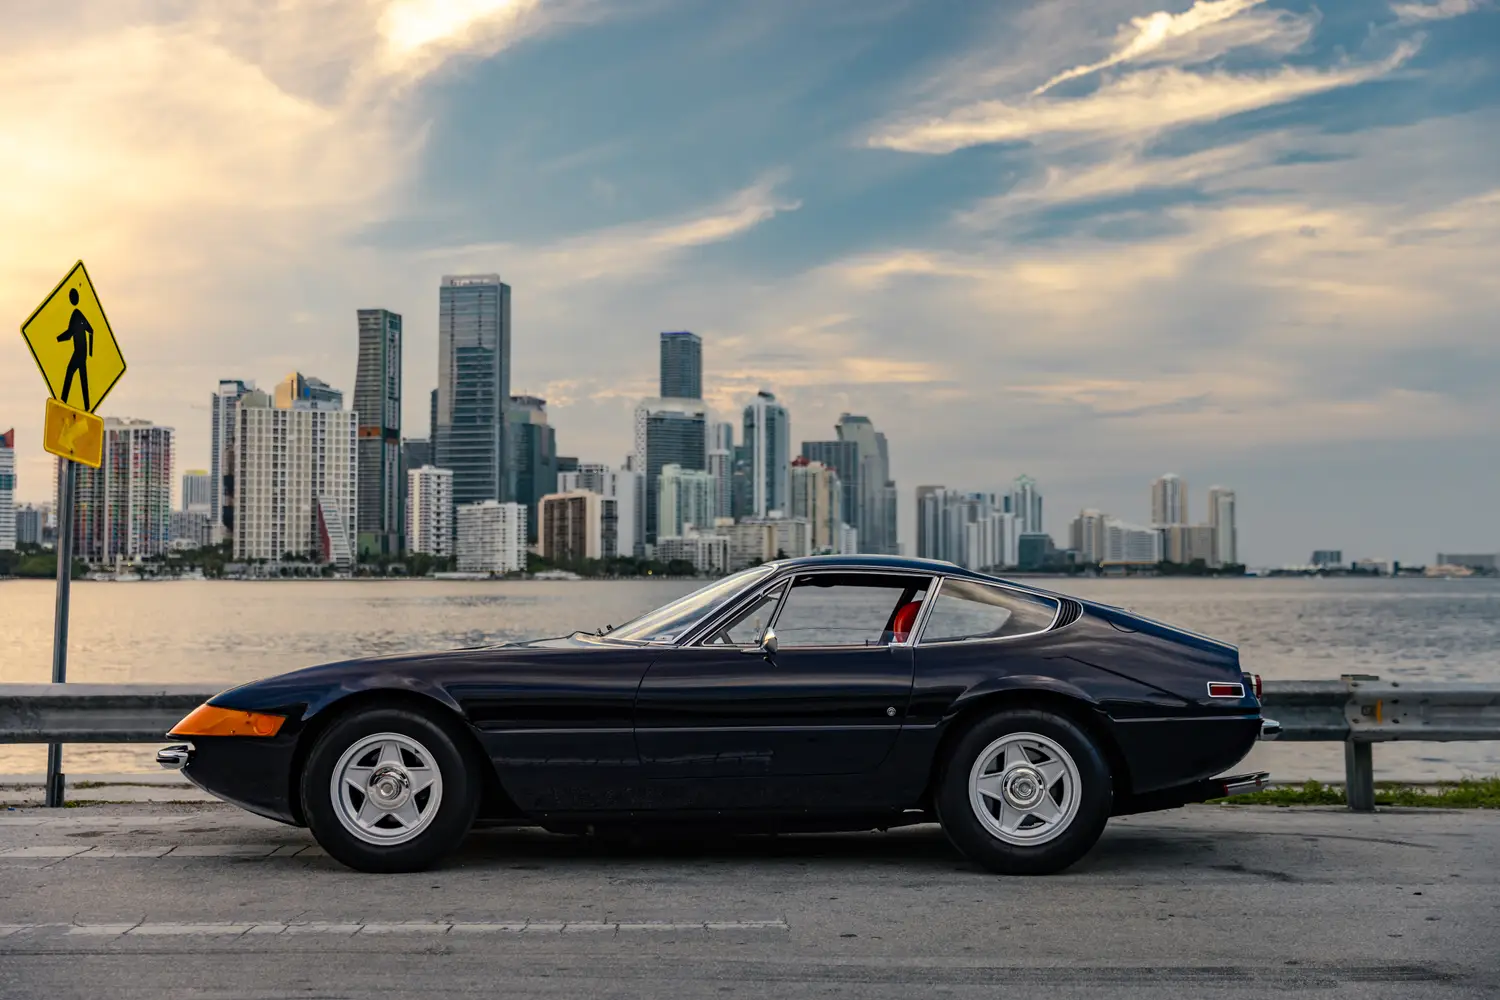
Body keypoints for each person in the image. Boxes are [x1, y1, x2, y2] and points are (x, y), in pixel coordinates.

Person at [56, 288, 93, 410]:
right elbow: (91, 330)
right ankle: (87, 406)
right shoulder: (80, 315)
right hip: (83, 353)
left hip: (78, 353)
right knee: (83, 379)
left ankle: (63, 401)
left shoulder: (76, 315)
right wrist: (90, 352)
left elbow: (69, 334)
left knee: (70, 372)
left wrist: (57, 339)